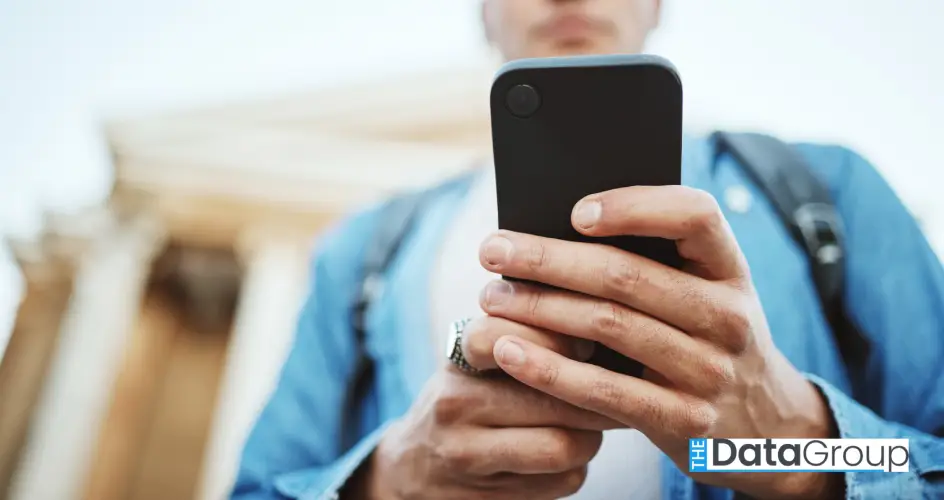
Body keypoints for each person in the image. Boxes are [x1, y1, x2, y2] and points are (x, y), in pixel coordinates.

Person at [232, 1, 944, 499]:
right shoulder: (365, 250)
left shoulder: (828, 191)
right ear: (482, 11)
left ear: (657, 3)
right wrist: (392, 478)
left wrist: (797, 446)